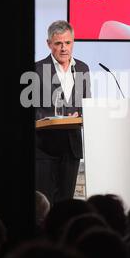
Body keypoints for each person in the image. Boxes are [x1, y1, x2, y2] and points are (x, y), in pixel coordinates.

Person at [35, 20, 91, 205]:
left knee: (66, 204)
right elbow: (30, 108)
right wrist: (50, 119)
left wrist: (80, 115)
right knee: (45, 204)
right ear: (49, 44)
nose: (64, 48)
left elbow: (86, 103)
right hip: (45, 148)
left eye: (68, 43)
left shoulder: (82, 68)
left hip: (71, 147)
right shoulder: (36, 70)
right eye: (58, 43)